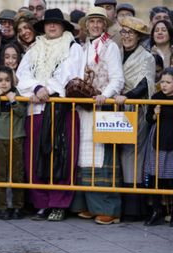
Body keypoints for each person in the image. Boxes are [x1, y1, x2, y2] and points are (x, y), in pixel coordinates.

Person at [16, 8, 83, 221]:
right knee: (34, 157)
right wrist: (36, 88)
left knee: (62, 156)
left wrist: (49, 89)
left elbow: (70, 72)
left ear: (63, 26)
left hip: (61, 108)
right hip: (35, 109)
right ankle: (41, 203)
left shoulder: (73, 47)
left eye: (56, 23)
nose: (52, 26)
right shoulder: (34, 48)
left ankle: (59, 203)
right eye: (47, 23)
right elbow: (22, 74)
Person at [70, 7, 125, 225]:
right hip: (86, 108)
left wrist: (106, 95)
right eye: (91, 22)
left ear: (104, 25)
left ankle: (108, 208)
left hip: (103, 108)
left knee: (102, 157)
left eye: (98, 22)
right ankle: (91, 206)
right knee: (86, 155)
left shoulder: (110, 47)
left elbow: (117, 79)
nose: (94, 25)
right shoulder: (85, 47)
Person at [114, 17, 156, 221]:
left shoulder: (146, 57)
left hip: (136, 111)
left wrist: (127, 96)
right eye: (124, 32)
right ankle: (120, 205)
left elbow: (144, 84)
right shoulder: (117, 52)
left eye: (131, 33)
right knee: (119, 154)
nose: (127, 36)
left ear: (138, 36)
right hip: (117, 109)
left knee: (134, 155)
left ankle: (134, 208)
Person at [0, 66, 26, 220]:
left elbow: (21, 112)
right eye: (0, 80)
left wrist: (13, 101)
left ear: (12, 81)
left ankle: (18, 206)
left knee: (17, 173)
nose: (3, 84)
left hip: (16, 137)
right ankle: (1, 207)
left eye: (7, 80)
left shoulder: (17, 94)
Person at [144, 67, 173, 227]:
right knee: (156, 177)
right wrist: (155, 114)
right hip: (158, 140)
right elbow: (148, 119)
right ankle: (156, 210)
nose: (164, 85)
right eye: (162, 81)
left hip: (171, 141)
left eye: (168, 82)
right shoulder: (156, 97)